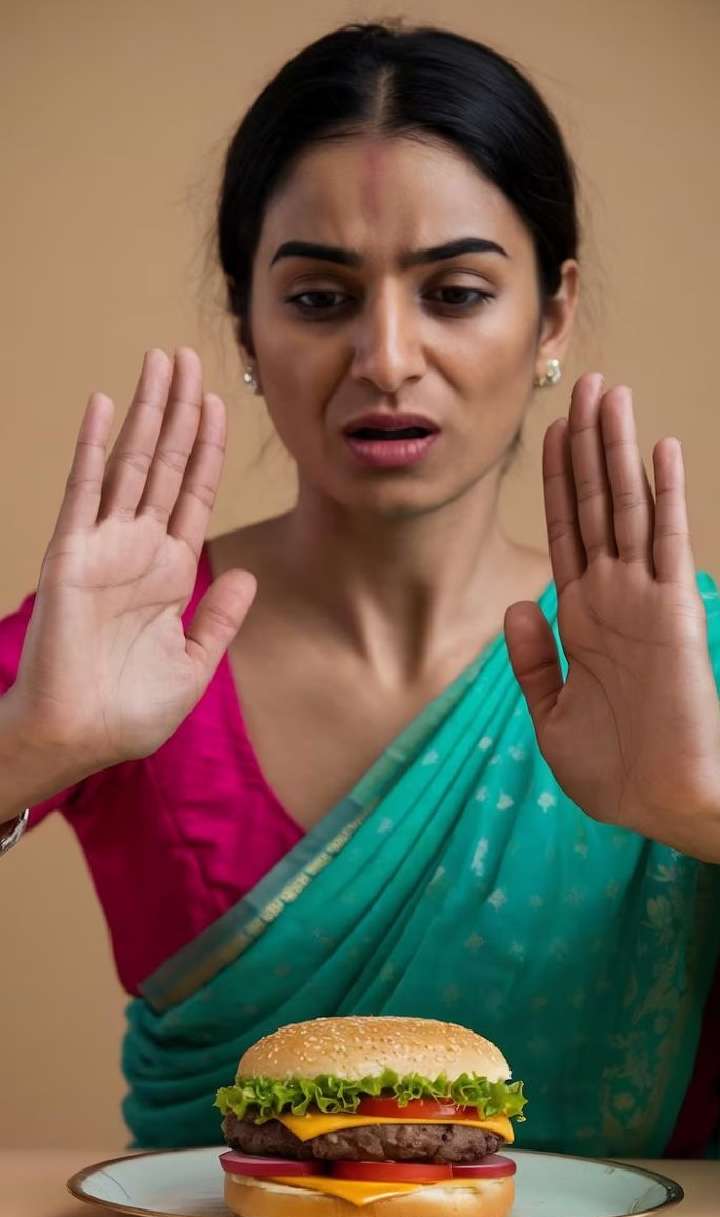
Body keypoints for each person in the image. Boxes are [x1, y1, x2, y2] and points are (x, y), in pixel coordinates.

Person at [1, 20, 719, 1159]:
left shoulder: (689, 662)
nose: (386, 357)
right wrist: (26, 750)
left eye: (457, 291)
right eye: (320, 298)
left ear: (553, 313)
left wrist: (698, 811)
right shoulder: (123, 636)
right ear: (245, 322)